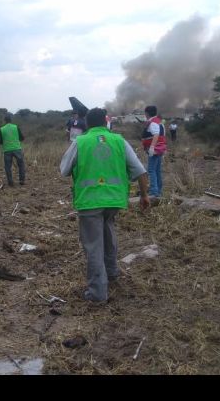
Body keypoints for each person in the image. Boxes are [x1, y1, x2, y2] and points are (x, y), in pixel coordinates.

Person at [60, 108, 149, 303]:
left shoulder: (80, 142)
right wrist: (144, 196)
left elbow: (64, 170)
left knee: (93, 246)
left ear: (87, 124)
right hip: (114, 201)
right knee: (108, 232)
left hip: (90, 201)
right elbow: (140, 171)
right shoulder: (119, 141)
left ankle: (97, 294)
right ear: (106, 122)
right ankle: (112, 272)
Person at [141, 106, 167, 198]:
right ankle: (158, 190)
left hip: (155, 150)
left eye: (145, 113)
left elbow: (156, 134)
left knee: (151, 170)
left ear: (147, 113)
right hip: (160, 148)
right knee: (157, 170)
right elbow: (163, 135)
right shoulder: (159, 121)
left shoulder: (153, 122)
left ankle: (154, 192)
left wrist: (152, 147)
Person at [0, 113, 26, 186]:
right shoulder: (16, 127)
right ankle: (22, 180)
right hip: (17, 148)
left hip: (7, 150)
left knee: (8, 167)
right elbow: (22, 138)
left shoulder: (2, 129)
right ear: (11, 120)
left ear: (4, 121)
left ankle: (10, 182)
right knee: (21, 165)